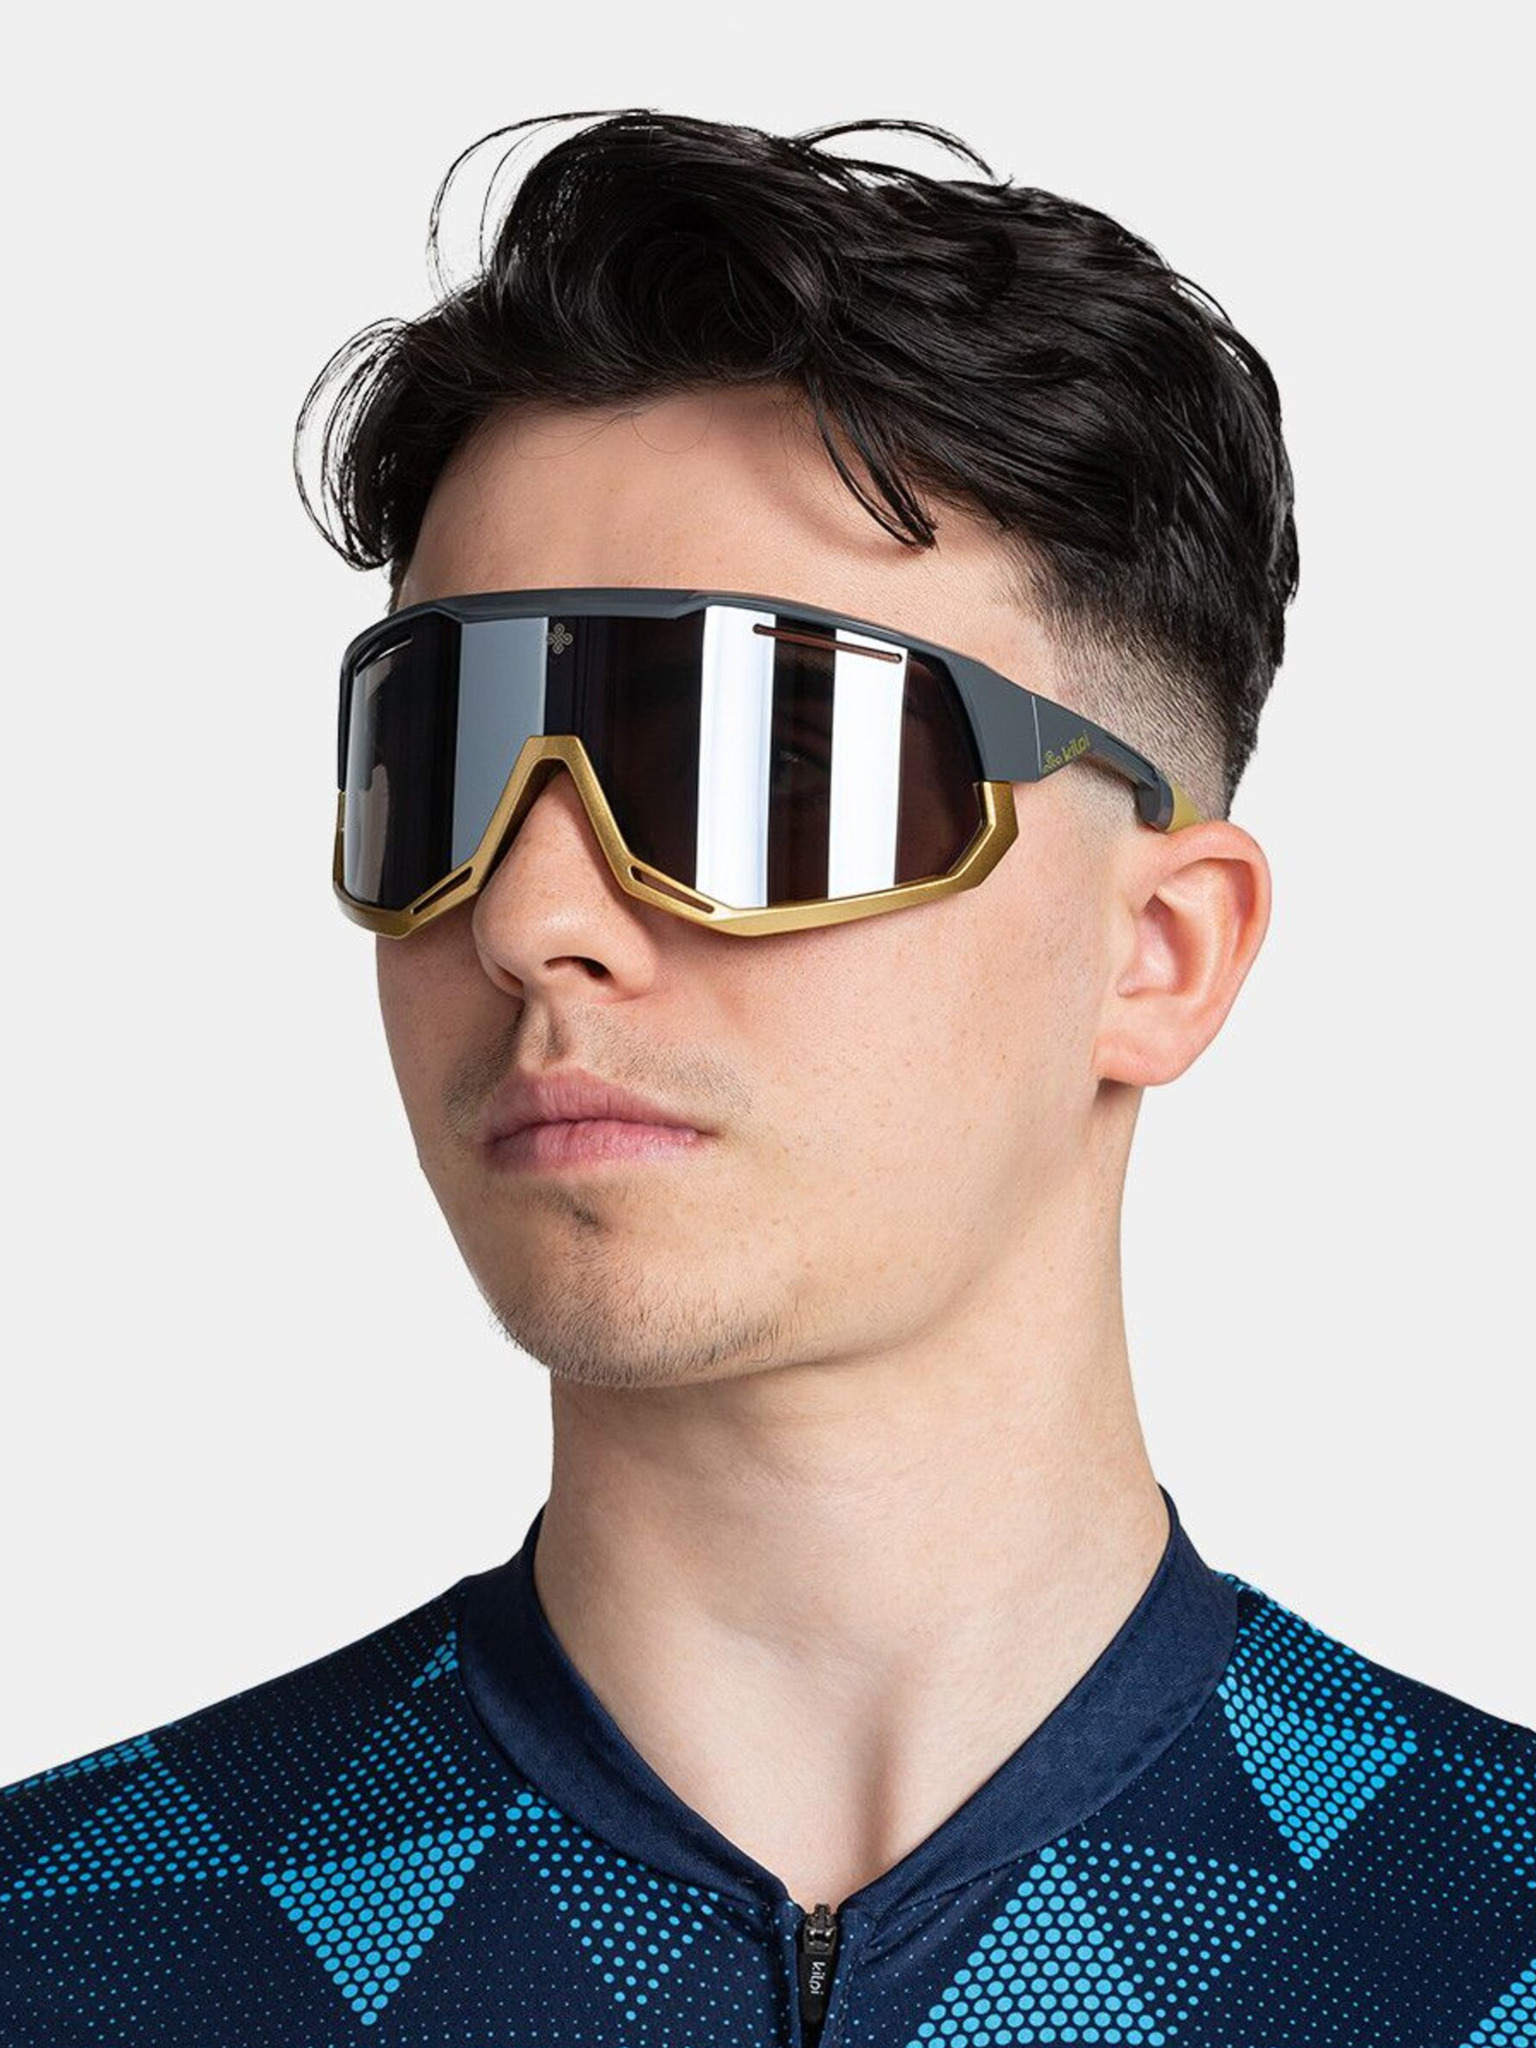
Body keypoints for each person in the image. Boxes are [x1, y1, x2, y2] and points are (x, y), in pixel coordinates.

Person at [3, 107, 1531, 2048]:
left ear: (1160, 951)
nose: (530, 916)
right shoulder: (68, 1954)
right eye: (445, 765)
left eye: (766, 764)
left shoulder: (1489, 1940)